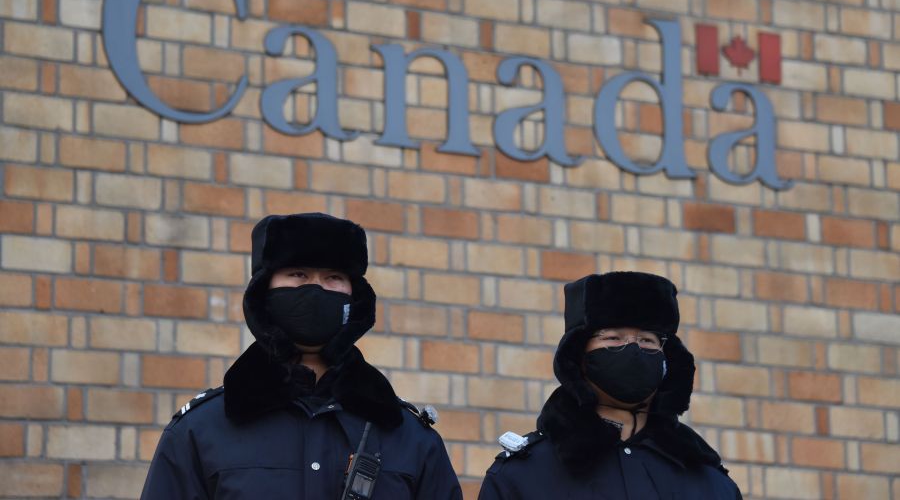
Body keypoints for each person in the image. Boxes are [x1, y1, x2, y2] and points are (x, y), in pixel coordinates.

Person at [141, 212, 462, 499]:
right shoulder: (201, 431)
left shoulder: (408, 438)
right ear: (264, 292)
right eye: (298, 274)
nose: (316, 290)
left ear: (356, 296)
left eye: (333, 278)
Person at [478, 271, 742, 499]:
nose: (633, 350)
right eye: (613, 338)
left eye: (647, 340)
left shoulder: (711, 484)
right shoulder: (524, 476)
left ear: (668, 360)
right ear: (579, 356)